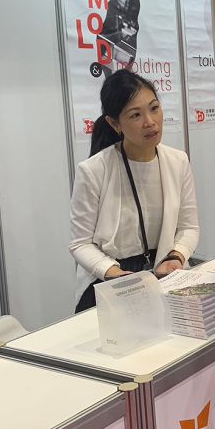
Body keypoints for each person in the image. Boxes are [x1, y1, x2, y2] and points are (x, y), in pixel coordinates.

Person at [69, 69, 200, 312]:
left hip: (165, 270)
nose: (150, 122)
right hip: (110, 280)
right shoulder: (93, 170)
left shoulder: (178, 161)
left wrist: (177, 256)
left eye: (154, 108)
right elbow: (80, 244)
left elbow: (189, 227)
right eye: (135, 115)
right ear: (114, 123)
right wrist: (114, 273)